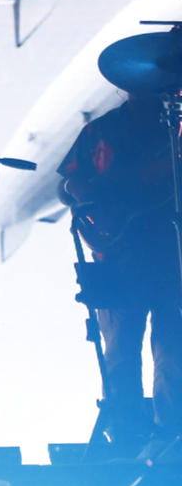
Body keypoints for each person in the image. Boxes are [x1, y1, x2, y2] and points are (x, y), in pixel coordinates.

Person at [59, 86, 182, 459]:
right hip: (120, 256)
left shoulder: (174, 126)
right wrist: (94, 207)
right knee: (123, 354)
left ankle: (169, 440)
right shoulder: (101, 131)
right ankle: (129, 439)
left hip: (169, 255)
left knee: (171, 350)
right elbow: (68, 184)